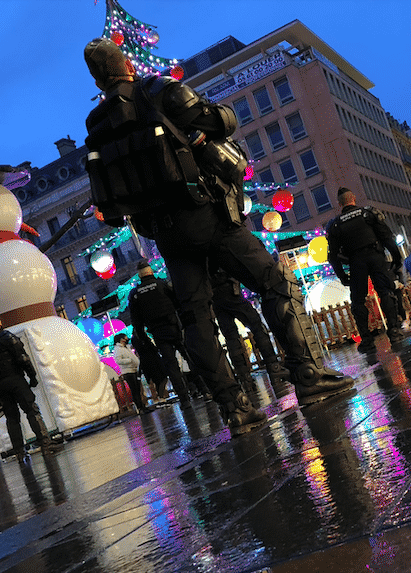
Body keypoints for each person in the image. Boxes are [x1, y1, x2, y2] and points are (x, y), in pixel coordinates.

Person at [83, 38, 351, 434]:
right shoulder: (154, 89)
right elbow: (220, 120)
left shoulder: (97, 124)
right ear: (125, 64)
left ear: (96, 77)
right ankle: (307, 375)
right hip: (207, 214)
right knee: (276, 284)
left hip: (165, 233)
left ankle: (234, 408)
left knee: (196, 318)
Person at [326, 187, 406, 353]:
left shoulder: (335, 224)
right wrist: (396, 259)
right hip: (376, 257)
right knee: (385, 292)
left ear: (339, 204)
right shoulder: (367, 214)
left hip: (356, 262)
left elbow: (332, 255)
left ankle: (367, 340)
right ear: (354, 198)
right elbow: (387, 237)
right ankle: (394, 331)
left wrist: (342, 276)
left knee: (358, 300)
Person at [0, 313, 50, 461]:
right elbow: (23, 358)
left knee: (12, 418)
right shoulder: (6, 337)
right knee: (31, 410)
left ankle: (20, 452)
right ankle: (45, 444)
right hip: (15, 380)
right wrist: (32, 376)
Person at [210, 266, 291, 396]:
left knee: (231, 337)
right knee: (256, 324)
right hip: (228, 287)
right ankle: (273, 367)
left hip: (214, 295)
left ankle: (245, 379)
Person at [128, 261, 193, 409]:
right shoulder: (162, 284)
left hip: (158, 333)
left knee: (171, 365)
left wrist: (144, 339)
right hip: (174, 327)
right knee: (189, 356)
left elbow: (136, 321)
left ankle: (184, 399)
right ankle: (205, 388)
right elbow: (178, 302)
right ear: (150, 271)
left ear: (139, 275)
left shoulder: (136, 294)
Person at [113, 333, 146, 413]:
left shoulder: (126, 347)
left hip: (134, 370)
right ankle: (139, 407)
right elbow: (118, 360)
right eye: (125, 337)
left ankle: (142, 406)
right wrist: (129, 361)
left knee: (138, 389)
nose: (127, 339)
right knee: (134, 390)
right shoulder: (118, 349)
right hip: (128, 371)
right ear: (121, 339)